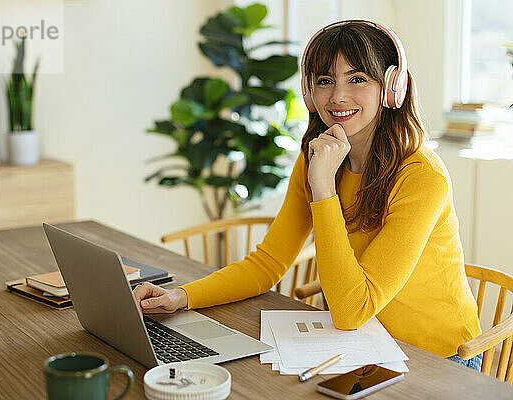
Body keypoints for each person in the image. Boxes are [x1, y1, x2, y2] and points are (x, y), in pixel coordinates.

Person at [133, 20, 482, 371]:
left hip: (439, 358)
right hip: (362, 345)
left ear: (391, 87)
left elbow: (351, 311)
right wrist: (181, 296)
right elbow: (267, 263)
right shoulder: (317, 156)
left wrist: (324, 187)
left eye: (357, 79)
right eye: (324, 81)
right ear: (308, 91)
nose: (337, 97)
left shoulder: (421, 176)